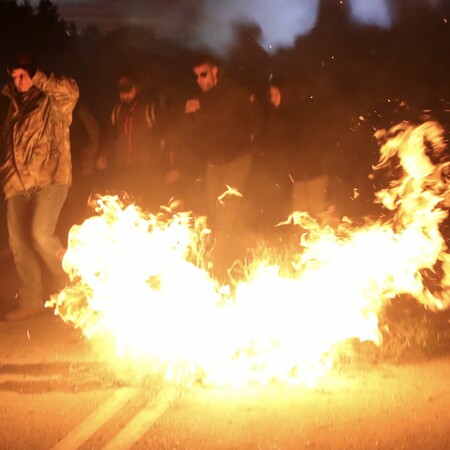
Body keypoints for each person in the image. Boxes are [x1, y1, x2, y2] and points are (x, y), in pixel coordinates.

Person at [0, 52, 79, 321]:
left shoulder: (51, 100)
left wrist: (39, 79)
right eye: (14, 77)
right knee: (18, 241)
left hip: (51, 177)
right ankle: (31, 299)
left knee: (40, 234)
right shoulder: (12, 104)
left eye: (23, 75)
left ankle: (71, 287)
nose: (19, 81)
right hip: (18, 183)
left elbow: (71, 91)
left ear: (33, 73)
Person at [183, 54, 262, 270]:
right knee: (213, 210)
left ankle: (221, 261)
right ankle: (231, 250)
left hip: (236, 158)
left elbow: (244, 119)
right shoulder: (203, 99)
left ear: (215, 71)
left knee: (227, 209)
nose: (199, 80)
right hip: (214, 161)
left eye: (203, 74)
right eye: (196, 76)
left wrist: (253, 139)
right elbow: (198, 132)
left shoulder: (234, 92)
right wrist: (190, 114)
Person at [97, 73, 165, 210]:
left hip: (146, 169)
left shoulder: (150, 110)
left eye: (128, 91)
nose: (124, 96)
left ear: (137, 89)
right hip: (122, 168)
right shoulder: (116, 111)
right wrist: (103, 154)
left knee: (145, 209)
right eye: (121, 92)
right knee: (123, 209)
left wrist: (164, 166)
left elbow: (164, 138)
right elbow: (110, 136)